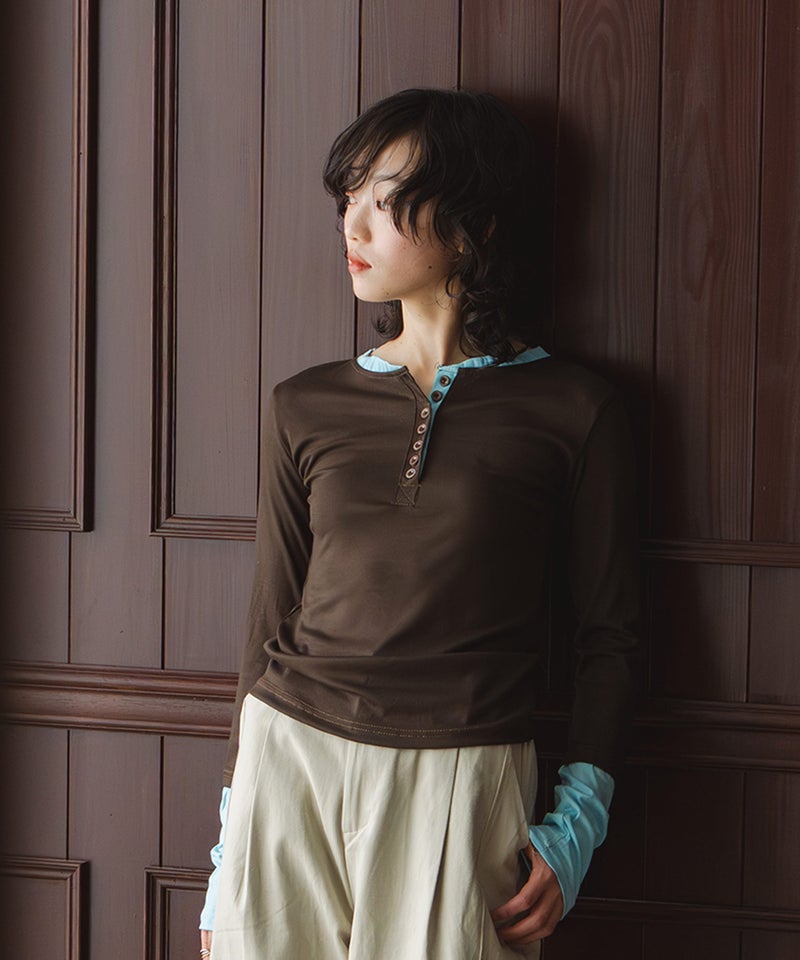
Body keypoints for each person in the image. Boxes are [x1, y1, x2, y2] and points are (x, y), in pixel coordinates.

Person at [199, 88, 640, 960]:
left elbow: (613, 637)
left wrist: (576, 829)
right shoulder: (303, 404)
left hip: (462, 773)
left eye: (387, 197)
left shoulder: (575, 409)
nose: (353, 224)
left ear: (471, 226)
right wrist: (226, 853)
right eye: (348, 197)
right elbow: (268, 628)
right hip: (288, 766)